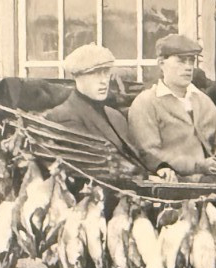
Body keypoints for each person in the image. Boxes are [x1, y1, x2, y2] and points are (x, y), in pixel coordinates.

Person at [127, 33, 216, 182]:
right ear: (161, 63)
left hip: (213, 177)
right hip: (176, 182)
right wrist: (198, 166)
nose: (188, 67)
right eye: (181, 61)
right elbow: (148, 152)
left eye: (191, 61)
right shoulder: (146, 102)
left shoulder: (200, 99)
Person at [42, 44, 173, 180]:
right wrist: (145, 179)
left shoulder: (113, 115)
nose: (104, 81)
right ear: (77, 76)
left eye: (106, 73)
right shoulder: (64, 117)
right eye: (95, 74)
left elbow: (135, 151)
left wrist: (160, 166)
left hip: (136, 186)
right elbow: (96, 167)